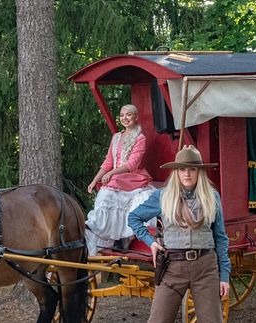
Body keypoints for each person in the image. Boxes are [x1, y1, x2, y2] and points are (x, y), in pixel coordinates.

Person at [128, 145, 230, 323]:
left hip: (205, 267)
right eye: (182, 169)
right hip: (173, 267)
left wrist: (224, 276)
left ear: (199, 172)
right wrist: (150, 242)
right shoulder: (163, 196)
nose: (187, 174)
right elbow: (134, 217)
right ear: (176, 171)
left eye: (192, 169)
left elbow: (220, 238)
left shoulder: (212, 197)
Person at [85, 104, 156, 255]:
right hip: (117, 178)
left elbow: (132, 164)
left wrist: (112, 173)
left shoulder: (140, 137)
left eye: (128, 115)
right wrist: (94, 180)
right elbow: (108, 163)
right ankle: (102, 234)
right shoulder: (116, 137)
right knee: (105, 195)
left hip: (134, 178)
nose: (125, 118)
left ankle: (125, 238)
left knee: (114, 190)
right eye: (122, 115)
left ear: (135, 117)